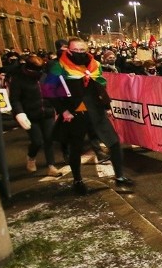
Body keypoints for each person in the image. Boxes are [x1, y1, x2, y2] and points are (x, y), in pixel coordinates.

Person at [46, 37, 134, 195]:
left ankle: (120, 176)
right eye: (76, 50)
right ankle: (77, 180)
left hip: (96, 110)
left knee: (114, 143)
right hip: (75, 112)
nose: (79, 53)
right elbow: (49, 91)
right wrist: (63, 110)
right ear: (68, 50)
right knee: (76, 148)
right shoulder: (59, 66)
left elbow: (100, 86)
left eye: (82, 50)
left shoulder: (95, 64)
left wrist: (107, 106)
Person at [10, 54, 60, 176]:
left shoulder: (44, 77)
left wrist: (59, 107)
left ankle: (51, 166)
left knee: (49, 139)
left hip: (47, 113)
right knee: (37, 141)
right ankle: (31, 157)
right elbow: (15, 99)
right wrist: (19, 113)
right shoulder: (18, 79)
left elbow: (53, 93)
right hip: (30, 115)